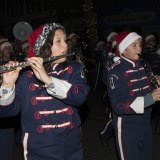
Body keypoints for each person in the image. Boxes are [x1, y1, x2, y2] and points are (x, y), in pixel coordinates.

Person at [0, 22, 90, 160]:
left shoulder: (74, 69)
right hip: (39, 151)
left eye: (65, 40)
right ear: (44, 47)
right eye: (58, 41)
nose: (65, 45)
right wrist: (7, 85)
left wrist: (48, 80)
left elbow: (80, 97)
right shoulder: (26, 77)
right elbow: (7, 112)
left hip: (72, 148)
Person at [105, 31, 160, 160]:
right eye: (134, 45)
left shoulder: (143, 65)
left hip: (145, 122)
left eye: (140, 44)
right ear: (123, 50)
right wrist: (149, 98)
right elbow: (118, 105)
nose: (139, 48)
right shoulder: (115, 71)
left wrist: (155, 84)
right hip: (127, 127)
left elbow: (147, 89)